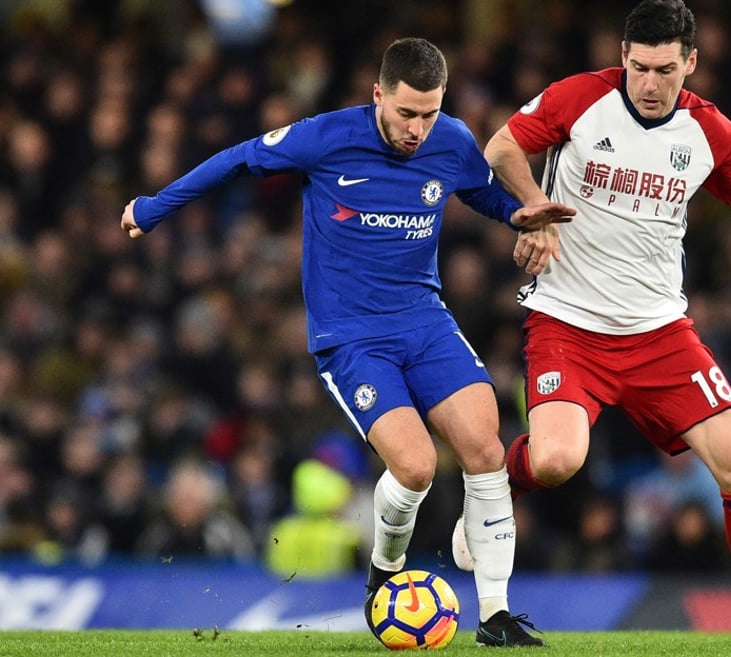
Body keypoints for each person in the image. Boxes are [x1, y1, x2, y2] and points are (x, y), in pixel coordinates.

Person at [121, 37, 574, 647]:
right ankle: (385, 573)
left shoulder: (454, 139)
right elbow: (236, 159)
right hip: (352, 337)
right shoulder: (327, 137)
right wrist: (153, 207)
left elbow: (479, 191)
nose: (418, 129)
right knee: (413, 468)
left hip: (425, 320)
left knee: (487, 452)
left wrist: (516, 215)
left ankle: (495, 616)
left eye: (430, 113)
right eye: (407, 113)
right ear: (378, 94)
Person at [454, 0, 731, 648]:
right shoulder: (579, 99)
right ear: (622, 57)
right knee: (556, 460)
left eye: (664, 70)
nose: (648, 83)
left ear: (690, 63)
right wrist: (533, 205)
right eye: (638, 67)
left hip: (660, 332)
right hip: (567, 320)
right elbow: (501, 147)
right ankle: (495, 491)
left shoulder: (710, 133)